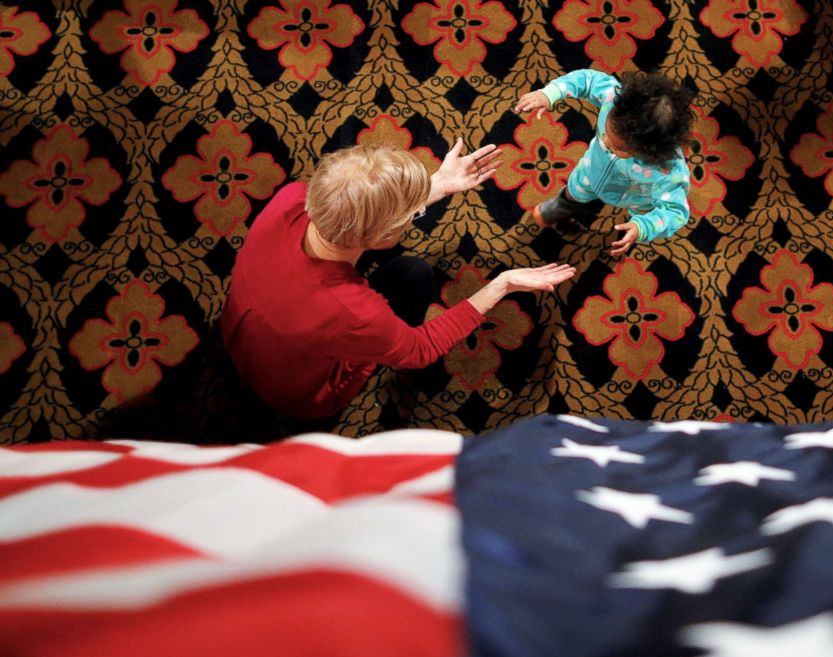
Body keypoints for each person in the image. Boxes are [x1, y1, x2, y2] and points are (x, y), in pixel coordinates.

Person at [220, 139, 576, 422]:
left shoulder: (292, 197)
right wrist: (502, 284)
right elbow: (419, 350)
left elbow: (359, 209)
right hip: (302, 394)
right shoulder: (354, 311)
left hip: (242, 337)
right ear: (376, 238)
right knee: (413, 276)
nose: (413, 218)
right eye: (409, 216)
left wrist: (438, 184)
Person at [514, 69, 695, 256]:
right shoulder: (613, 100)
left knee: (635, 224)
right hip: (592, 169)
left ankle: (630, 231)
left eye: (620, 148)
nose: (606, 143)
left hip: (637, 196)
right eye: (606, 132)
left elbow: (676, 212)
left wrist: (642, 227)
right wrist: (550, 93)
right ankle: (563, 204)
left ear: (649, 152)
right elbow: (588, 80)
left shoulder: (666, 172)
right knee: (576, 188)